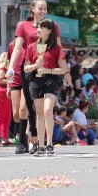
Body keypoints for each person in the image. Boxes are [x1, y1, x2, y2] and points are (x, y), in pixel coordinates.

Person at [6, 0, 68, 155]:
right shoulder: (24, 26)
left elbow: (58, 47)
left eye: (45, 9)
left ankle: (36, 141)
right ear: (32, 9)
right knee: (24, 108)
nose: (43, 11)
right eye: (40, 8)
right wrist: (11, 68)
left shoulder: (52, 26)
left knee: (40, 108)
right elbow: (17, 48)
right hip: (30, 68)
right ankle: (24, 141)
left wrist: (65, 71)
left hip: (49, 70)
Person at [23, 18, 68, 156]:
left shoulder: (56, 48)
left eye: (41, 27)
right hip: (35, 80)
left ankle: (49, 143)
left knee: (48, 110)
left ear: (49, 30)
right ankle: (40, 145)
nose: (38, 30)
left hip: (51, 80)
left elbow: (63, 69)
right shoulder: (31, 47)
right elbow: (25, 68)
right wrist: (36, 66)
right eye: (37, 27)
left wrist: (48, 70)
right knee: (39, 113)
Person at [0, 52, 12, 146]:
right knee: (0, 117)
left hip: (4, 94)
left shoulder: (4, 68)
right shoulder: (3, 68)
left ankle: (4, 137)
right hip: (0, 94)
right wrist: (11, 80)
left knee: (6, 117)